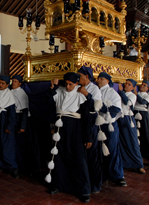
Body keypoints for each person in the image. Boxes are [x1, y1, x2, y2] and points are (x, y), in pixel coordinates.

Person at [46, 72, 92, 203]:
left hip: (75, 130)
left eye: (71, 84)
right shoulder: (59, 92)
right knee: (58, 157)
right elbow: (49, 103)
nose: (68, 87)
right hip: (60, 129)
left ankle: (83, 190)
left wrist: (88, 137)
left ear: (77, 83)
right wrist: (52, 87)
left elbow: (87, 118)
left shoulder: (80, 96)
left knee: (78, 159)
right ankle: (57, 185)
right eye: (66, 84)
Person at [96, 72, 126, 186]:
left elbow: (115, 110)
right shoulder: (96, 91)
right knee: (99, 150)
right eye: (98, 78)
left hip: (109, 125)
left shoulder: (112, 93)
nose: (99, 80)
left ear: (108, 81)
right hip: (98, 125)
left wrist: (101, 107)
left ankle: (117, 175)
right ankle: (102, 173)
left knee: (111, 150)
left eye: (102, 78)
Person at [77, 66, 103, 194]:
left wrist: (87, 95)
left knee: (92, 154)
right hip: (81, 122)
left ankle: (95, 184)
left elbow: (95, 107)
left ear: (87, 77)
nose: (78, 79)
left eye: (80, 76)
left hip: (91, 123)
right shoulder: (77, 87)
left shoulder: (94, 89)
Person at [117, 79, 145, 174]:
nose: (126, 85)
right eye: (126, 83)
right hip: (120, 118)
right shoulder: (120, 94)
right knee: (122, 142)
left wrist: (121, 91)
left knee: (132, 141)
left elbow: (128, 103)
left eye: (129, 84)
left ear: (133, 87)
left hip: (128, 119)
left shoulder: (132, 95)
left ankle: (138, 164)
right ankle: (125, 163)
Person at [134, 80, 149, 167]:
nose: (142, 86)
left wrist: (136, 94)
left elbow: (142, 102)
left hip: (143, 115)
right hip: (135, 113)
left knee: (146, 135)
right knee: (136, 136)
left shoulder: (147, 96)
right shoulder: (135, 94)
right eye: (142, 85)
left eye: (144, 85)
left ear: (147, 88)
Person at [10, 75, 30, 174]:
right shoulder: (9, 92)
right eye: (12, 81)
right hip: (12, 117)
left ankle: (20, 166)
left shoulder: (23, 94)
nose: (13, 83)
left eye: (15, 81)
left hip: (19, 118)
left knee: (19, 145)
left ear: (20, 84)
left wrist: (22, 126)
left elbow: (25, 110)